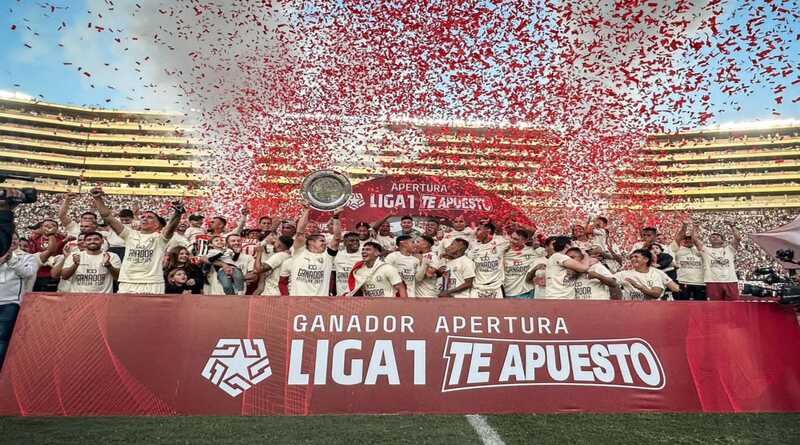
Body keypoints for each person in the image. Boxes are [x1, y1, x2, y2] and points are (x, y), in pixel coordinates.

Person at [91, 187, 183, 294]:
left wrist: (178, 212)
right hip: (127, 282)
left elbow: (171, 227)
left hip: (152, 283)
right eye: (143, 217)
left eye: (150, 217)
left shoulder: (160, 238)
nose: (144, 218)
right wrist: (98, 199)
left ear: (157, 225)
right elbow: (108, 217)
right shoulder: (129, 234)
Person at [288, 207, 340, 296]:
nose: (325, 243)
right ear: (311, 242)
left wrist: (336, 217)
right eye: (321, 241)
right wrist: (306, 210)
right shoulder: (299, 252)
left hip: (320, 302)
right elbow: (300, 232)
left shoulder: (328, 257)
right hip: (297, 301)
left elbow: (337, 238)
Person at [693, 222, 741, 301]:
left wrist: (732, 226)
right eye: (712, 237)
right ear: (709, 240)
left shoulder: (729, 249)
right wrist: (695, 227)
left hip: (731, 281)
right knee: (714, 305)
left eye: (718, 236)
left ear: (722, 240)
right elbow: (695, 240)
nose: (715, 238)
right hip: (713, 282)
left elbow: (738, 238)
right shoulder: (706, 250)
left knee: (734, 304)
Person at [614, 248, 680, 300]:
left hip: (651, 308)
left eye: (636, 257)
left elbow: (657, 294)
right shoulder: (624, 274)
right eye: (631, 257)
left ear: (646, 259)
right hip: (632, 308)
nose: (633, 259)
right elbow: (611, 281)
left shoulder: (656, 273)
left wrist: (637, 286)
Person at [467, 222, 509, 298]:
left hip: (496, 287)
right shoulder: (473, 247)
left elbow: (519, 240)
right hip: (477, 288)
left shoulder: (501, 243)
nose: (476, 232)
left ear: (488, 230)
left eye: (479, 229)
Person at [671, 223, 706, 300]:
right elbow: (678, 238)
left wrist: (695, 227)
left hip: (700, 282)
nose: (688, 240)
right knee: (682, 304)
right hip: (682, 281)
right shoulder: (677, 249)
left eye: (690, 238)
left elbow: (696, 240)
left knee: (700, 305)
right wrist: (684, 226)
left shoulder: (701, 249)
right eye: (686, 239)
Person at [502, 229, 537, 299]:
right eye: (511, 237)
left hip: (526, 292)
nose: (511, 240)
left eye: (516, 239)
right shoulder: (503, 251)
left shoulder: (532, 252)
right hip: (507, 291)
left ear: (524, 241)